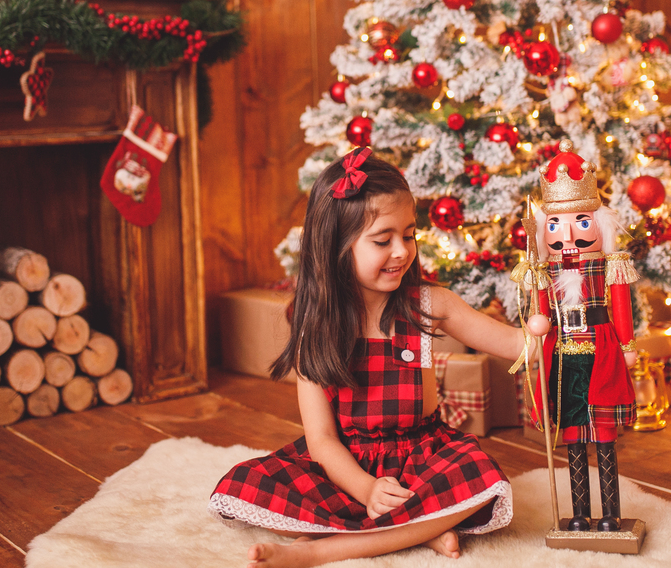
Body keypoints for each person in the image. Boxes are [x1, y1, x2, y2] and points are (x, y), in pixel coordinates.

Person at [209, 147, 530, 567]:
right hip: (346, 467)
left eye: (409, 235)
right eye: (383, 240)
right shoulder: (317, 330)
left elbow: (513, 345)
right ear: (337, 248)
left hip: (424, 458)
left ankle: (318, 551)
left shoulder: (431, 304)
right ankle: (421, 530)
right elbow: (322, 440)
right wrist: (365, 489)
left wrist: (544, 332)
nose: (401, 251)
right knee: (252, 488)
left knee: (481, 478)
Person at [525, 140, 638, 532]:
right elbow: (540, 312)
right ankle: (578, 514)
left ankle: (610, 513)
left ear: (598, 223)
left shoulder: (611, 266)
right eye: (555, 224)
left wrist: (627, 346)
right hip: (564, 358)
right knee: (573, 435)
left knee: (603, 435)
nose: (568, 233)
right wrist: (537, 328)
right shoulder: (545, 270)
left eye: (581, 221)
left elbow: (621, 307)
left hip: (602, 351)